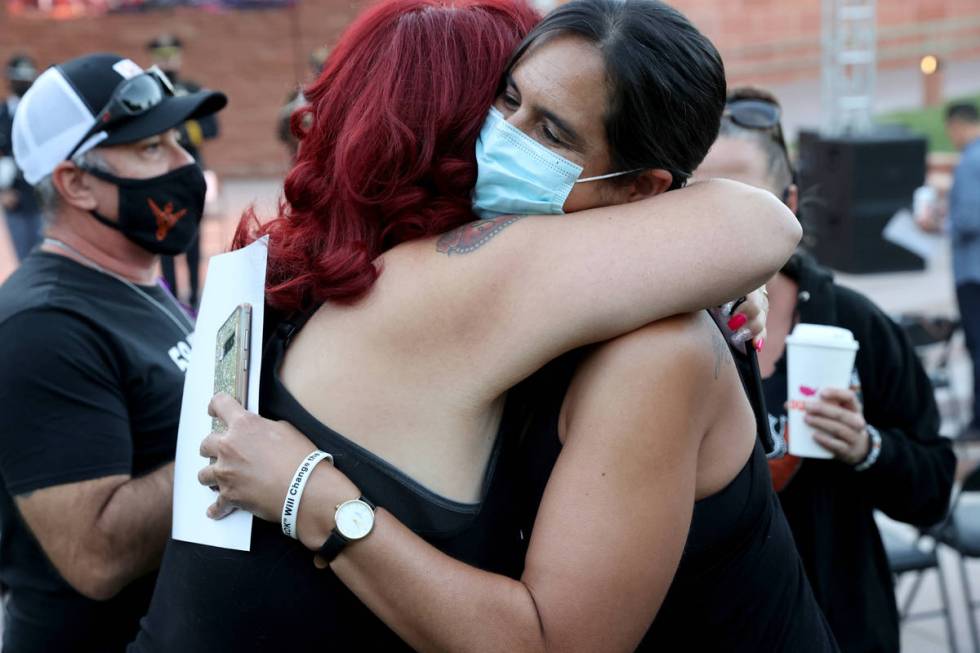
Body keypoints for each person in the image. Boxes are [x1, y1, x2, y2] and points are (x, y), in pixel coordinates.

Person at [138, 1, 824, 651]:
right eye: (504, 100)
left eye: (552, 132)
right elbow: (753, 223)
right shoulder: (457, 279)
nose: (503, 139)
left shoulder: (641, 335)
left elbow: (760, 225)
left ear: (641, 189)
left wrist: (315, 497)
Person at [696, 86, 956, 652]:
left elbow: (934, 487)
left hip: (842, 621)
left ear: (789, 204)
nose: (717, 217)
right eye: (698, 195)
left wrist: (867, 448)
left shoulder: (856, 325)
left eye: (744, 195)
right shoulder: (660, 331)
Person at [0, 53, 225, 652]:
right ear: (75, 183)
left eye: (178, 140)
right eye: (152, 148)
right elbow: (94, 556)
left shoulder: (134, 281)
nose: (185, 165)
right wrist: (243, 440)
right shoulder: (42, 326)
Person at [147, 34, 221, 308]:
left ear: (179, 57)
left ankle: (193, 294)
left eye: (171, 55)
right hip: (159, 173)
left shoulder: (192, 90)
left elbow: (211, 128)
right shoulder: (148, 92)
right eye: (161, 55)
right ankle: (170, 295)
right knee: (163, 232)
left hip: (190, 170)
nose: (167, 61)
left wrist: (182, 134)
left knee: (192, 234)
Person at [941, 102, 980, 440]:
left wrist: (939, 223)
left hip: (972, 271)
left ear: (956, 125)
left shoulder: (970, 162)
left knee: (978, 346)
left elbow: (968, 219)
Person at [0, 54, 42, 262]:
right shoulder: (2, 115)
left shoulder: (42, 114)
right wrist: (3, 190)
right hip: (14, 198)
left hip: (42, 196)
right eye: (19, 77)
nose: (23, 82)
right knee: (22, 256)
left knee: (44, 255)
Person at [277, 46, 329, 160]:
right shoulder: (299, 94)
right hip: (303, 149)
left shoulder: (337, 93)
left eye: (322, 67)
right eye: (317, 67)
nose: (319, 71)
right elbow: (284, 123)